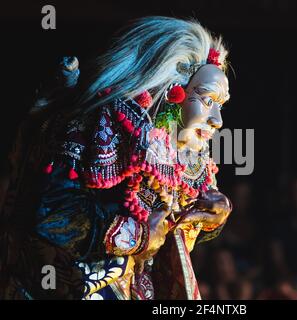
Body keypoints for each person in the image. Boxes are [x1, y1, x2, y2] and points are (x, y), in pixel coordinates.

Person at [0, 16, 232, 300]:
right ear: (175, 88)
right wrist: (138, 235)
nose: (217, 120)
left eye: (220, 105)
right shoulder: (95, 125)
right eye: (208, 101)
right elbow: (54, 217)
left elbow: (182, 215)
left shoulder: (182, 149)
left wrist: (214, 214)